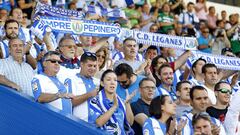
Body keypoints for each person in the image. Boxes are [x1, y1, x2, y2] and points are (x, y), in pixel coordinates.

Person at [89, 69, 135, 135]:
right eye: (108, 79)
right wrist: (114, 107)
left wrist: (127, 103)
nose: (112, 82)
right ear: (102, 83)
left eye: (115, 80)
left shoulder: (121, 101)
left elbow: (130, 122)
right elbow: (98, 123)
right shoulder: (95, 101)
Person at [64, 52, 99, 122]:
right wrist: (90, 94)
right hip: (79, 124)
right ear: (81, 64)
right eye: (90, 65)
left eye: (95, 66)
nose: (92, 68)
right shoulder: (71, 80)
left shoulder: (98, 82)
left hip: (98, 127)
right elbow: (69, 103)